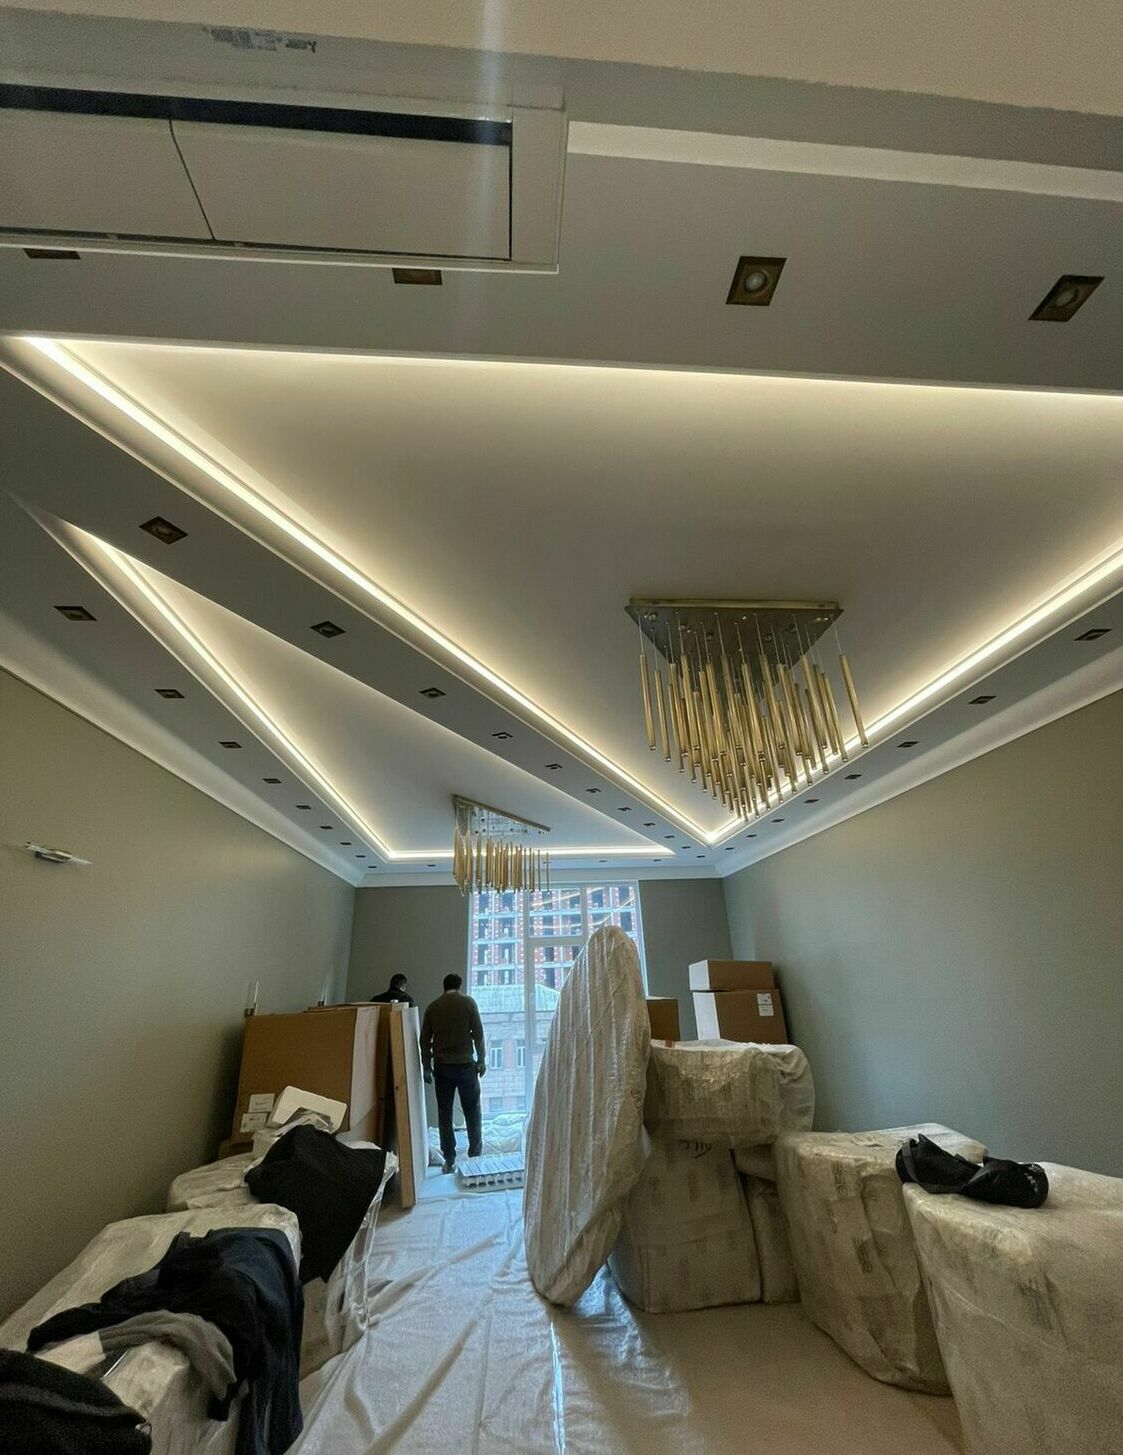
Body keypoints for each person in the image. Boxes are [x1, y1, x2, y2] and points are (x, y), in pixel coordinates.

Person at [420, 973, 486, 1173]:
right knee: (472, 1111)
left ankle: (449, 1159)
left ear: (444, 986)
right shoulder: (468, 1003)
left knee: (445, 1113)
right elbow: (479, 1035)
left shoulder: (433, 1007)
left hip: (443, 1068)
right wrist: (481, 1061)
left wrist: (426, 1066)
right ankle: (475, 1155)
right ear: (459, 986)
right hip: (466, 1066)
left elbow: (424, 1041)